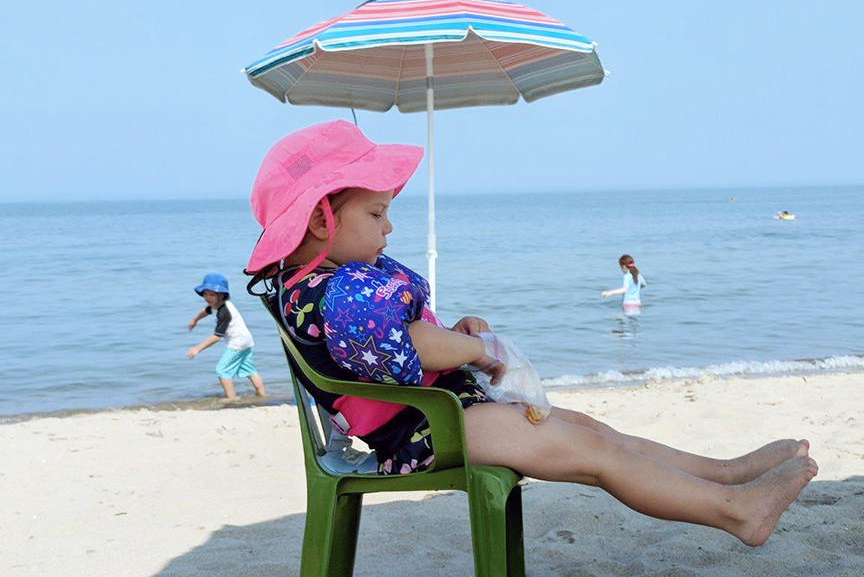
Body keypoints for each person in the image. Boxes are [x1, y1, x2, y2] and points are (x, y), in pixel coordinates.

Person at [244, 120, 816, 547]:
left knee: (592, 430)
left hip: (447, 411)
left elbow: (406, 336)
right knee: (591, 452)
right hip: (427, 431)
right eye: (375, 214)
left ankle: (724, 473)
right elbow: (410, 347)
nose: (389, 226)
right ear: (322, 219)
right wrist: (478, 348)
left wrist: (458, 333)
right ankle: (734, 511)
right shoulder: (330, 291)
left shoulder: (335, 285)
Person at [186, 273, 266, 400]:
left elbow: (217, 336)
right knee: (249, 369)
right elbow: (205, 311)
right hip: (245, 340)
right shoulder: (216, 305)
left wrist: (197, 348)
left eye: (212, 295)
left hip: (237, 343)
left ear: (222, 294)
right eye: (205, 294)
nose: (208, 298)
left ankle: (231, 398)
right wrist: (194, 320)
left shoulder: (225, 312)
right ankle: (262, 394)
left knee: (222, 370)